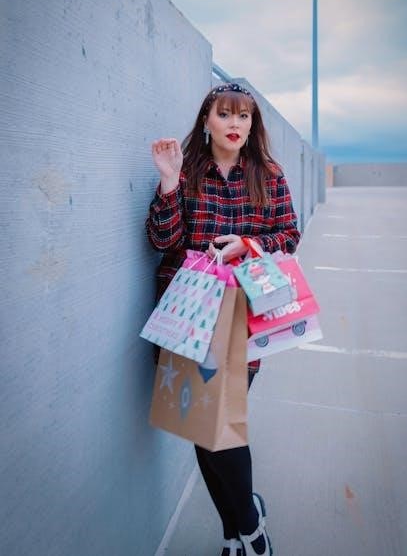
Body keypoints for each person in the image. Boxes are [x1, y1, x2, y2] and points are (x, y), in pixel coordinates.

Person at [146, 82, 300, 556]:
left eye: (244, 116)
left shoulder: (268, 175)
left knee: (220, 424)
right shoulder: (188, 172)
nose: (235, 124)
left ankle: (249, 527)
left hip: (244, 313)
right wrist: (169, 181)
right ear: (206, 121)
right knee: (203, 426)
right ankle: (235, 532)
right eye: (225, 114)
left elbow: (288, 235)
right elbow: (162, 240)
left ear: (253, 125)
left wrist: (248, 244)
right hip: (189, 312)